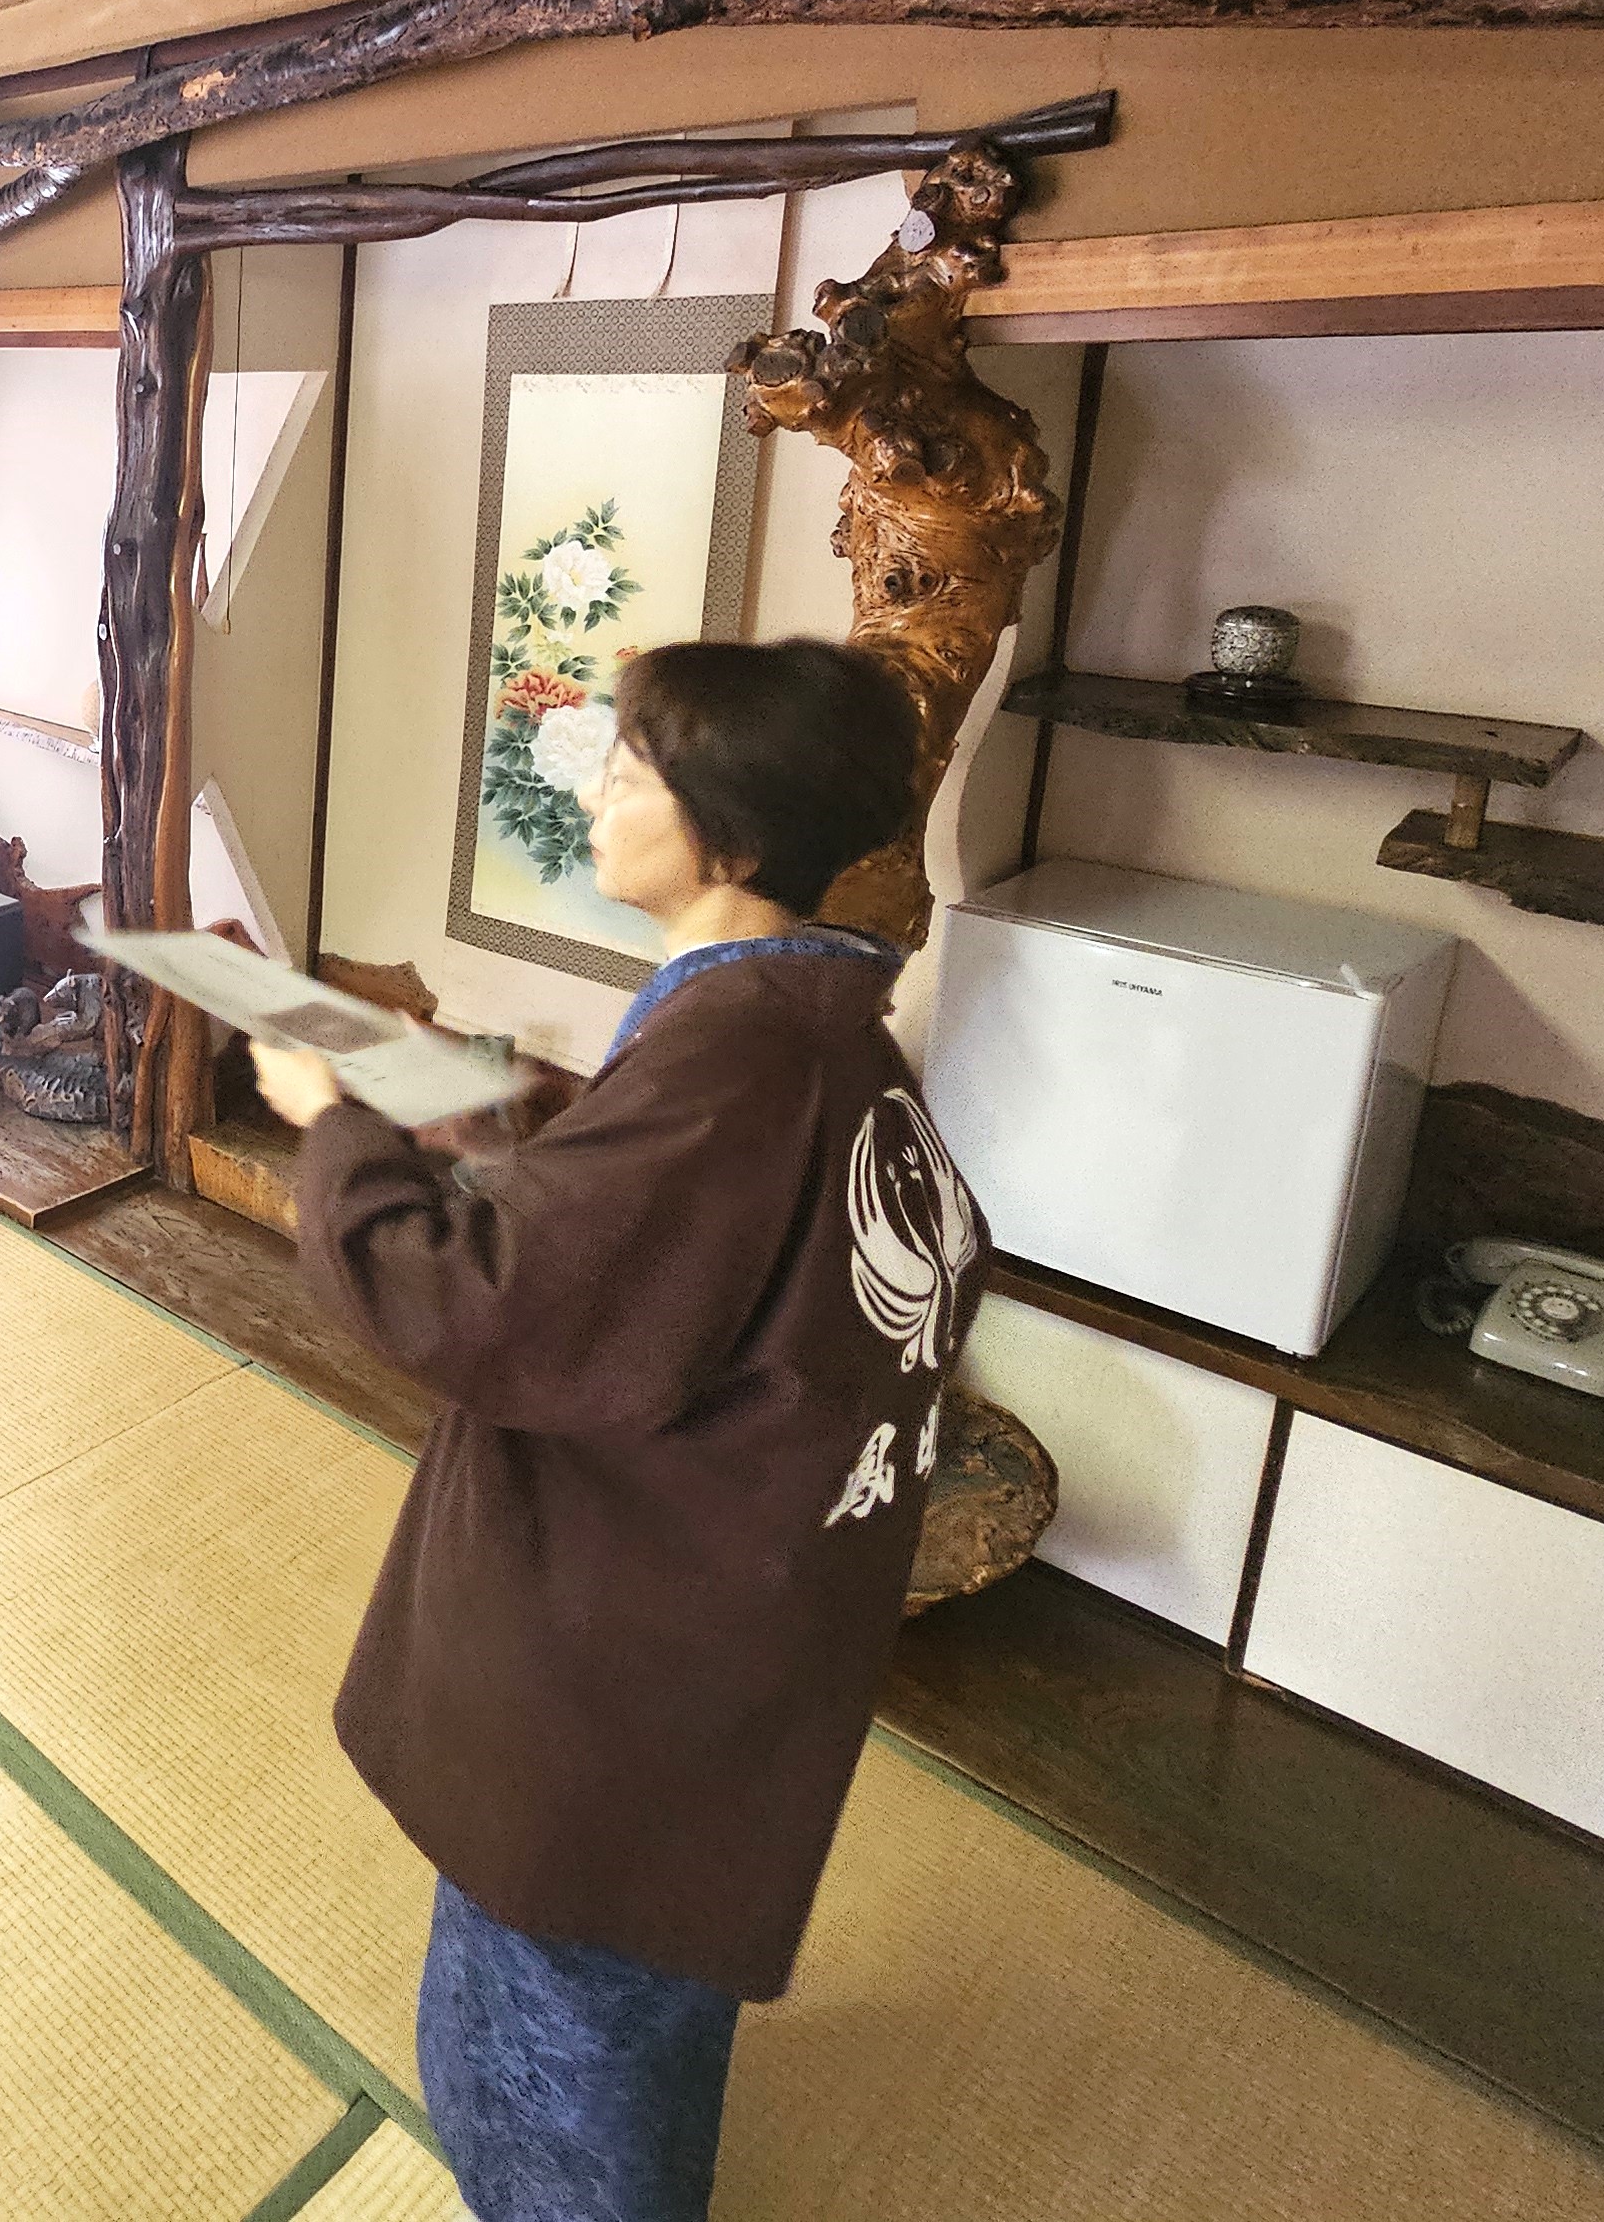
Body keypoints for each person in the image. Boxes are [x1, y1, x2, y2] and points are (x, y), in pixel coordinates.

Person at [250, 638, 986, 2222]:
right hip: (744, 1631)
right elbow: (671, 1227)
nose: (595, 789)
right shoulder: (819, 1032)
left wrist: (336, 1126)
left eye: (631, 771)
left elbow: (476, 1306)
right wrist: (486, 1109)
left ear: (727, 839)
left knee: (555, 2040)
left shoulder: (736, 1054)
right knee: (639, 1981)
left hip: (625, 1661)